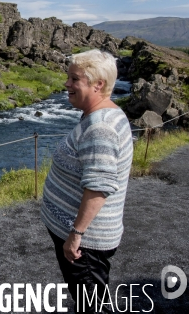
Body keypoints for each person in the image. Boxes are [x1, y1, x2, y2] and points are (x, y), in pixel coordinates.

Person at [40, 49, 133, 313]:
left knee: (93, 305)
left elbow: (99, 187)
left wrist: (76, 235)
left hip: (86, 245)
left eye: (74, 79)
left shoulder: (100, 127)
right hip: (83, 240)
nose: (67, 84)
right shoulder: (101, 115)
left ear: (98, 84)